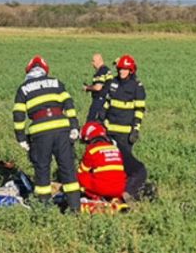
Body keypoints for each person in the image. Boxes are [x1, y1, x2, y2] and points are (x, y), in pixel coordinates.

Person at [12, 55, 81, 211]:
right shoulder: (57, 83)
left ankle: (44, 209)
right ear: (45, 71)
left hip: (41, 132)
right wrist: (74, 126)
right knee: (67, 168)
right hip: (62, 129)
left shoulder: (24, 88)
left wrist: (21, 137)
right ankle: (75, 208)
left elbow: (18, 114)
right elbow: (69, 104)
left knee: (42, 169)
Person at [103, 54, 148, 200]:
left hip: (125, 133)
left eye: (125, 69)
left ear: (131, 71)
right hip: (110, 131)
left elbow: (139, 110)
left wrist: (136, 129)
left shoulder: (136, 87)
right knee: (109, 162)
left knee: (125, 163)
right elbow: (107, 103)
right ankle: (110, 188)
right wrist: (101, 118)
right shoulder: (113, 83)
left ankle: (126, 190)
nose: (122, 72)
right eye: (120, 69)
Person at [77, 121, 127, 200]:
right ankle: (115, 199)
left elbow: (82, 171)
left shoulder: (92, 150)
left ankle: (95, 197)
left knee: (79, 176)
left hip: (102, 188)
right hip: (120, 188)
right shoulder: (114, 148)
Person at [83, 53, 113, 122]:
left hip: (99, 100)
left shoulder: (100, 72)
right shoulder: (107, 70)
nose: (92, 63)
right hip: (107, 100)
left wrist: (87, 88)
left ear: (99, 61)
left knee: (91, 120)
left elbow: (98, 87)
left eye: (93, 61)